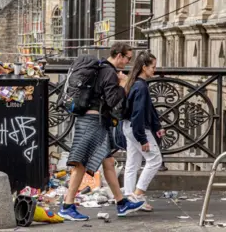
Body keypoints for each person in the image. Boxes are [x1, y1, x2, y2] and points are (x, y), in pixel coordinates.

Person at [58, 43, 144, 221]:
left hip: (92, 120)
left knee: (109, 163)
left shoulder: (101, 69)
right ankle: (67, 206)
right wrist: (123, 84)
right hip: (93, 122)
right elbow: (113, 101)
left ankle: (121, 203)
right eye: (128, 58)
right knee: (80, 164)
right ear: (119, 56)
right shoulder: (109, 72)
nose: (128, 62)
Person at [122, 52, 164, 211]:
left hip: (128, 127)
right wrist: (143, 139)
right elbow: (139, 113)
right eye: (153, 67)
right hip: (137, 128)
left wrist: (157, 126)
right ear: (144, 67)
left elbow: (146, 110)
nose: (155, 70)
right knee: (155, 160)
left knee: (132, 163)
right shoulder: (141, 86)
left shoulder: (134, 83)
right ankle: (137, 195)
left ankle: (128, 196)